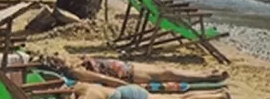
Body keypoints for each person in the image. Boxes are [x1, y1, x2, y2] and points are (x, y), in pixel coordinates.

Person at [36, 54, 228, 87]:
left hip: (126, 66)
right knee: (167, 72)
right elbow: (103, 78)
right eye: (56, 57)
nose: (59, 55)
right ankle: (208, 77)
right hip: (129, 74)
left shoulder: (75, 64)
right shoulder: (75, 73)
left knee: (165, 69)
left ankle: (206, 75)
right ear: (58, 65)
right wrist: (123, 84)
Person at [72, 82, 230, 99]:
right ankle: (218, 95)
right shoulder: (79, 88)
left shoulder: (87, 95)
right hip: (130, 92)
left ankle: (219, 96)